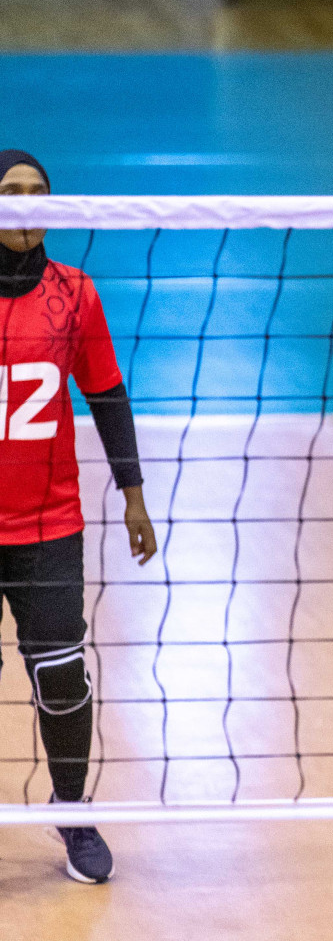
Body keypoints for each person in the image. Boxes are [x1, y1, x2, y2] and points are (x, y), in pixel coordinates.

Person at [0, 149, 158, 883]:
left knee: (62, 677)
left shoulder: (75, 294)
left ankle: (72, 813)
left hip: (48, 527)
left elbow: (108, 396)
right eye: (11, 193)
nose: (26, 205)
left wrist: (133, 493)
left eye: (38, 193)